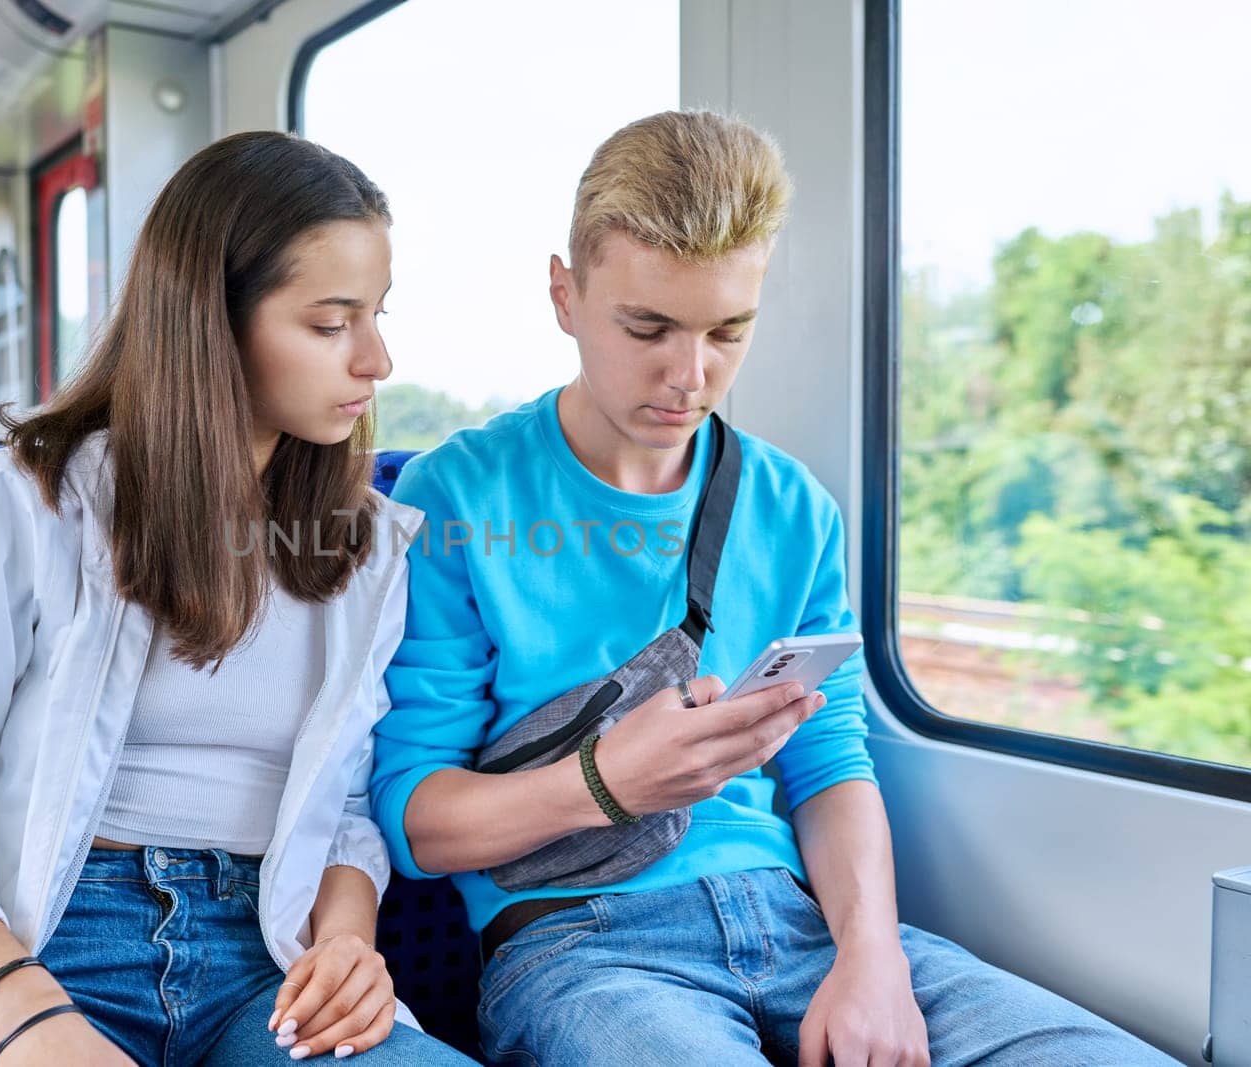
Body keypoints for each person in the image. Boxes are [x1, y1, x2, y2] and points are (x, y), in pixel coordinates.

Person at [370, 110, 1178, 1066]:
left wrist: (872, 958)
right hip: (581, 947)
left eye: (729, 330)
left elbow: (830, 763)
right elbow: (415, 815)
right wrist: (609, 781)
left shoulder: (793, 507)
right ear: (564, 293)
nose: (690, 375)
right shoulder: (456, 495)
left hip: (807, 928)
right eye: (648, 327)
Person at [0, 132, 473, 1067]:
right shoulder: (33, 501)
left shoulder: (367, 539)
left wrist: (348, 941)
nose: (377, 359)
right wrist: (23, 1012)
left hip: (265, 956)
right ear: (210, 321)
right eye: (330, 323)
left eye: (377, 315)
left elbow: (347, 795)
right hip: (38, 937)